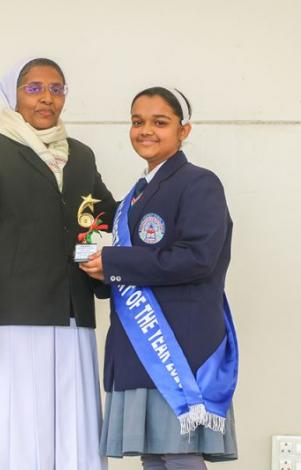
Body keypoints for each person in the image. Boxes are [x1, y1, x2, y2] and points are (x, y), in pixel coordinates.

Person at [0, 57, 115, 470]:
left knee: (70, 430)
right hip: (10, 317)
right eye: (35, 88)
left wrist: (155, 208)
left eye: (56, 89)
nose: (47, 98)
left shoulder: (81, 156)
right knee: (15, 428)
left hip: (72, 315)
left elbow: (99, 218)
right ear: (14, 95)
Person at [80, 87, 239, 469]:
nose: (146, 130)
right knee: (153, 457)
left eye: (160, 122)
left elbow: (197, 258)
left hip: (181, 346)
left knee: (179, 455)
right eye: (137, 122)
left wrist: (114, 261)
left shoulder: (200, 183)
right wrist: (100, 268)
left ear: (184, 130)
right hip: (139, 345)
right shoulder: (134, 197)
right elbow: (130, 264)